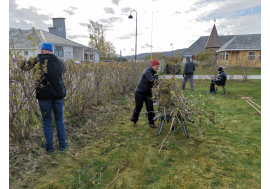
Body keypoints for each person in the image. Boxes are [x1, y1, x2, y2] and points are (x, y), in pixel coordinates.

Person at [23, 42, 68, 153]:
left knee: (47, 120)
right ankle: (62, 145)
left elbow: (23, 67)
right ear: (52, 51)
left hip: (44, 97)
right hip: (58, 96)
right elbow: (64, 70)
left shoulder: (37, 60)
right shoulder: (58, 61)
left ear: (42, 50)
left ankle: (49, 147)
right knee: (59, 119)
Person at [131, 58, 160, 128]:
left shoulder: (155, 73)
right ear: (152, 66)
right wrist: (158, 82)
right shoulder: (147, 71)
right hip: (140, 92)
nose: (158, 68)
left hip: (148, 93)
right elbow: (152, 80)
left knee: (150, 107)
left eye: (159, 66)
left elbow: (156, 84)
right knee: (138, 107)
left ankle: (151, 122)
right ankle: (134, 121)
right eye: (157, 66)